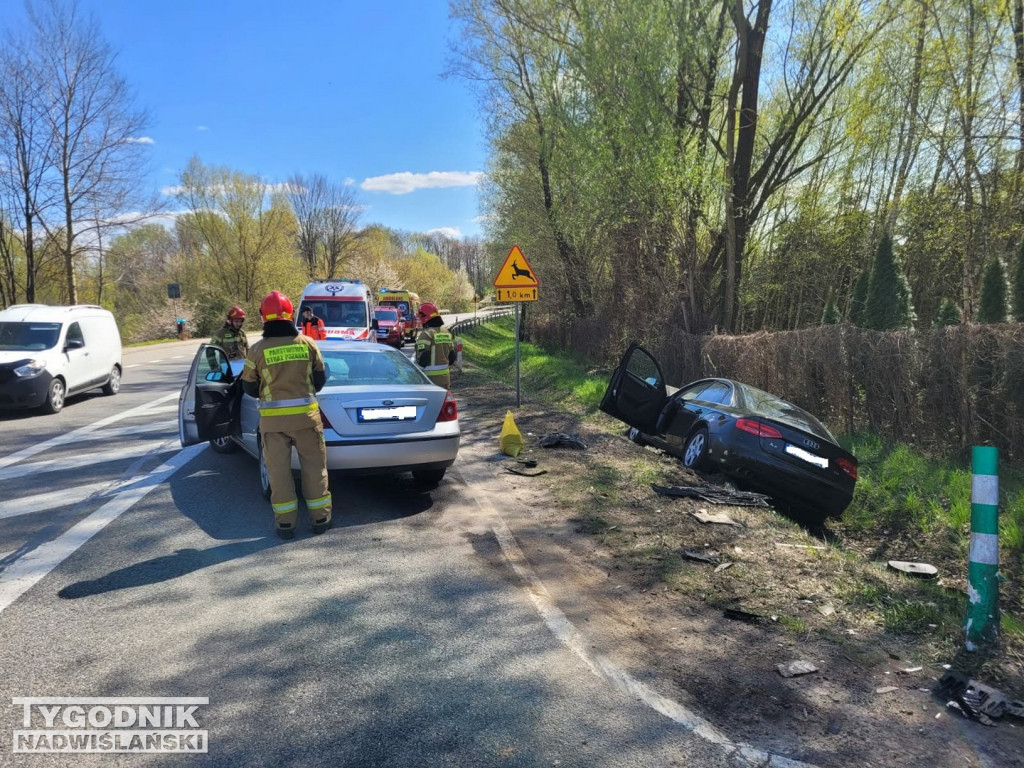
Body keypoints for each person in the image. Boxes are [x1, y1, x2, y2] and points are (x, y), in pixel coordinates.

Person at [241, 291, 332, 539]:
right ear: (291, 315)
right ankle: (320, 519)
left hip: (273, 425)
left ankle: (285, 525)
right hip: (307, 421)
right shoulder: (308, 344)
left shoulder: (257, 350)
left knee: (279, 475)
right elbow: (321, 379)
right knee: (314, 470)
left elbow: (248, 387)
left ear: (263, 317)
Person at [414, 301, 455, 389]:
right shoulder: (446, 332)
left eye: (420, 317)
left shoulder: (427, 334)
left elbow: (423, 360)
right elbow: (452, 357)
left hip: (430, 381)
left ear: (425, 317)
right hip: (446, 380)